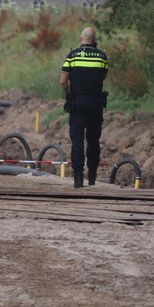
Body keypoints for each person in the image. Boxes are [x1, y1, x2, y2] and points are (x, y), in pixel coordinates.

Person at [60, 27, 109, 188]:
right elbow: (103, 77)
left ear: (81, 39)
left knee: (77, 140)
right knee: (94, 140)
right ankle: (93, 176)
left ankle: (78, 178)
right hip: (95, 103)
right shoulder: (102, 57)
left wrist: (69, 94)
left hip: (78, 103)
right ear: (94, 41)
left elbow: (63, 80)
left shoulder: (72, 56)